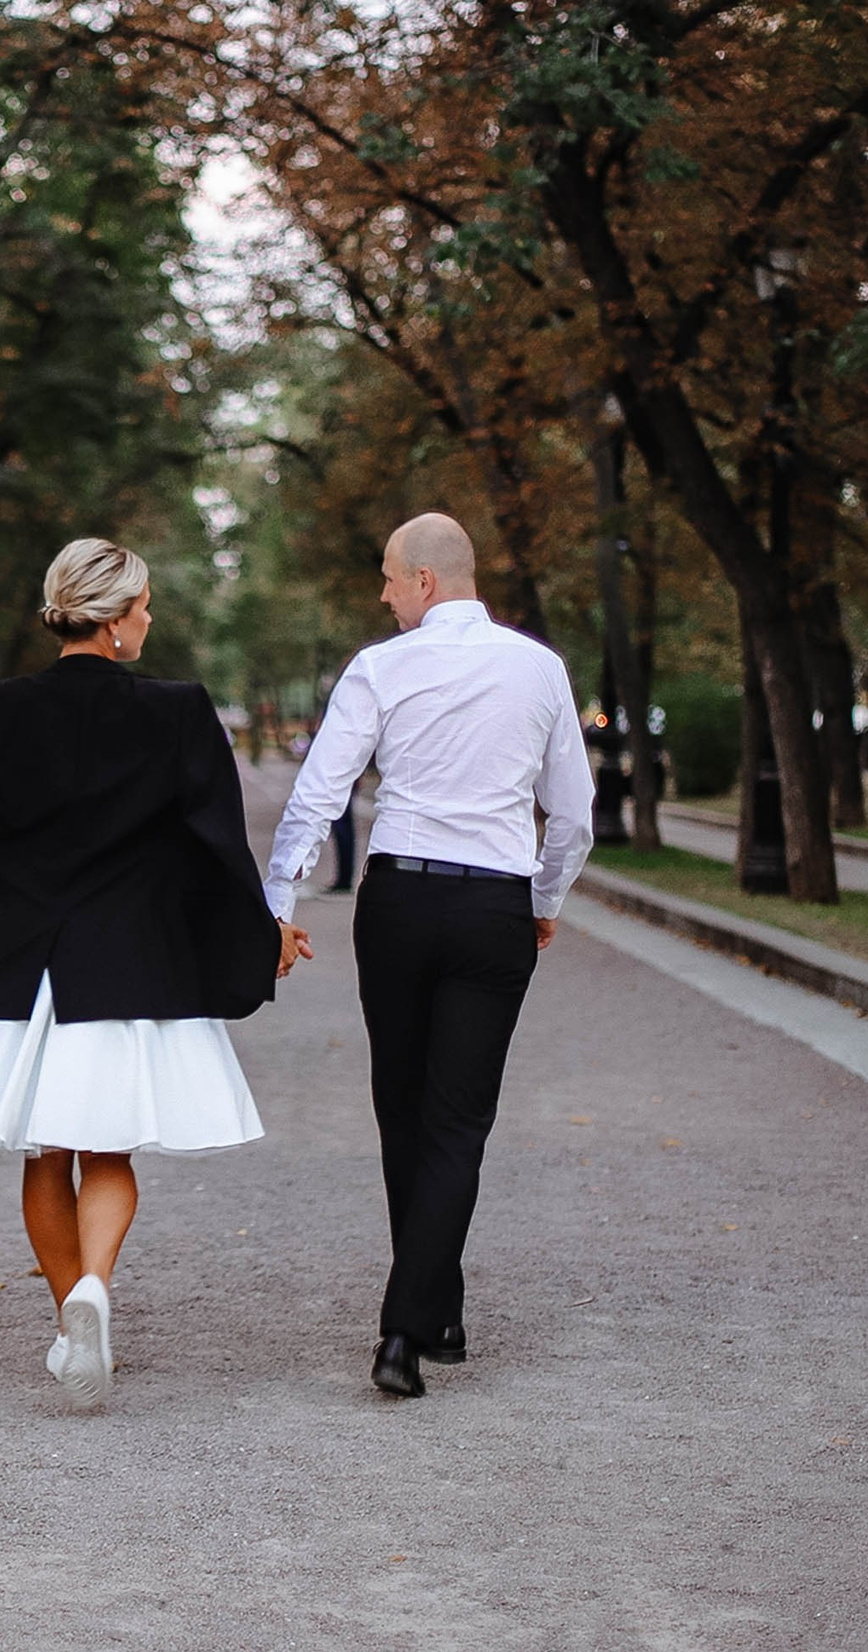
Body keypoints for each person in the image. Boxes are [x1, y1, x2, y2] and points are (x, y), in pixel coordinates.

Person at [0, 538, 285, 1409]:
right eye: (143, 605)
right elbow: (217, 849)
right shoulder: (178, 711)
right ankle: (95, 1288)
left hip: (17, 962)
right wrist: (264, 937)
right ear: (112, 618)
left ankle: (70, 1316)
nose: (149, 619)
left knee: (44, 1152)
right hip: (127, 962)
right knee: (108, 1145)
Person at [265, 513, 595, 1399]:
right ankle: (434, 1310)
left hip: (402, 901)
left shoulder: (380, 668)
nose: (381, 595)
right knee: (458, 1121)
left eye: (386, 578)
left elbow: (320, 791)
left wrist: (277, 900)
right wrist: (544, 902)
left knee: (404, 1109)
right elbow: (573, 814)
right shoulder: (541, 669)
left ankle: (402, 1330)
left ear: (425, 582)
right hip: (495, 904)